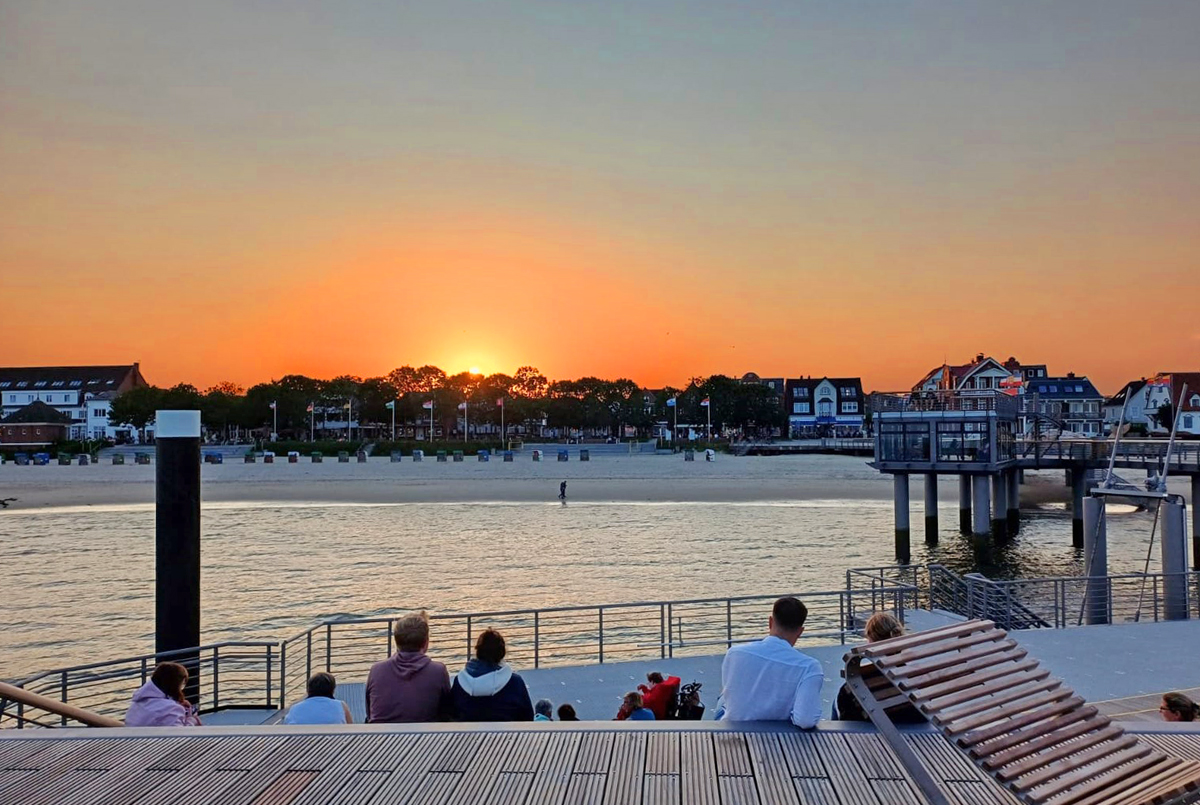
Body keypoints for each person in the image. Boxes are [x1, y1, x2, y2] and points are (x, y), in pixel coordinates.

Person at [716, 597, 822, 728]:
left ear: (770, 622)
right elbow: (806, 720)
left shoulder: (735, 653)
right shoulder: (809, 667)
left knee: (723, 699)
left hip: (735, 731)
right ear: (800, 631)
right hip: (775, 736)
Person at [834, 612, 923, 723]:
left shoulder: (853, 687)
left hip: (873, 737)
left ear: (871, 643)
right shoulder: (917, 679)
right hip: (920, 734)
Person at [366, 610, 452, 723]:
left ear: (396, 641)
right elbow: (447, 712)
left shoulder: (376, 670)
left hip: (380, 737)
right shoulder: (438, 671)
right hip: (425, 737)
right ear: (426, 642)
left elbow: (369, 713)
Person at [451, 628, 534, 721]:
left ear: (478, 652)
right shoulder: (515, 682)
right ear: (502, 653)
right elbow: (528, 717)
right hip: (507, 734)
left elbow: (451, 714)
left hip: (466, 735)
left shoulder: (460, 681)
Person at [125, 662, 201, 727]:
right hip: (156, 743)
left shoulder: (137, 703)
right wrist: (192, 719)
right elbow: (180, 737)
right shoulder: (170, 709)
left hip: (134, 742)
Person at [285, 672, 352, 725]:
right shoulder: (340, 705)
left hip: (300, 741)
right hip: (333, 741)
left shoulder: (295, 708)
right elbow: (351, 728)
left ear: (308, 689)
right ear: (332, 690)